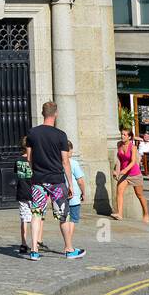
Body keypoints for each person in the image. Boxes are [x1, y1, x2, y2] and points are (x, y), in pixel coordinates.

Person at [26, 101, 85, 261]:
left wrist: (34, 172)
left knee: (36, 213)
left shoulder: (32, 133)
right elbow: (65, 162)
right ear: (56, 114)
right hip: (57, 182)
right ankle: (69, 248)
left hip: (38, 180)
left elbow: (30, 158)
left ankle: (34, 250)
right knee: (61, 215)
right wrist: (70, 184)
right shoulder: (61, 135)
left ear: (42, 113)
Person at [112, 126, 149, 221]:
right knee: (119, 191)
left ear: (129, 137)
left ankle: (146, 214)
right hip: (124, 175)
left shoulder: (133, 147)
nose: (122, 136)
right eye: (122, 134)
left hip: (135, 174)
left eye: (124, 135)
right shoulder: (119, 145)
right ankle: (119, 214)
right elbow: (119, 159)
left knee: (139, 195)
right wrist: (116, 170)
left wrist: (124, 170)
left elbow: (133, 162)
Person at [15, 135, 33, 254]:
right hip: (34, 192)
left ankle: (23, 243)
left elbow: (17, 174)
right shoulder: (34, 160)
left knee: (24, 219)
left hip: (22, 191)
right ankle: (35, 242)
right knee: (36, 218)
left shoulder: (18, 160)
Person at [66, 141, 86, 250]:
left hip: (62, 195)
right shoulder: (73, 163)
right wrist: (84, 192)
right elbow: (80, 181)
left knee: (64, 219)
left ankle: (67, 243)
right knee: (73, 219)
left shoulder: (56, 163)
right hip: (74, 195)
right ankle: (68, 244)